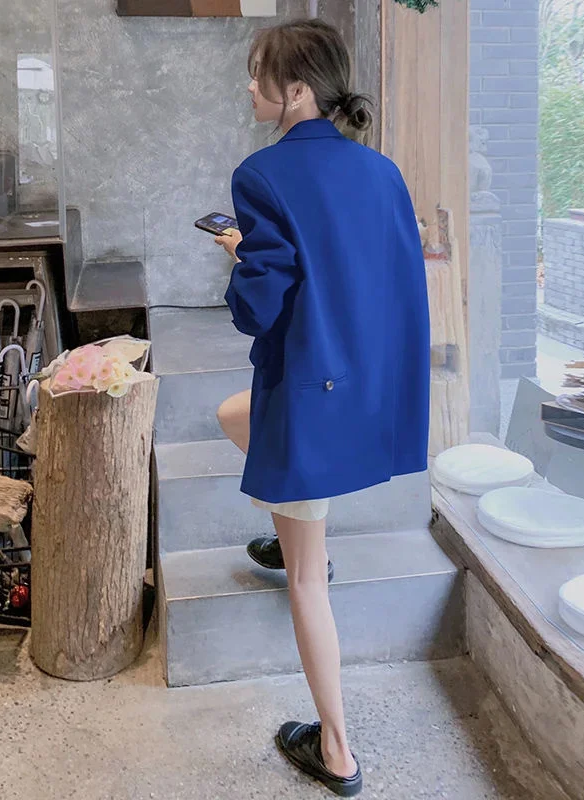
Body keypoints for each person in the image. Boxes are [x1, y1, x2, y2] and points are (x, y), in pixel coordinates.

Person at [214, 18, 429, 798]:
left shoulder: (261, 175)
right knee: (233, 416)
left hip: (308, 395)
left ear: (297, 90)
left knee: (308, 584)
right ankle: (300, 532)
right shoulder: (382, 171)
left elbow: (257, 311)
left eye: (261, 74)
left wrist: (240, 254)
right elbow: (393, 283)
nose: (251, 86)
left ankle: (337, 751)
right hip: (364, 388)